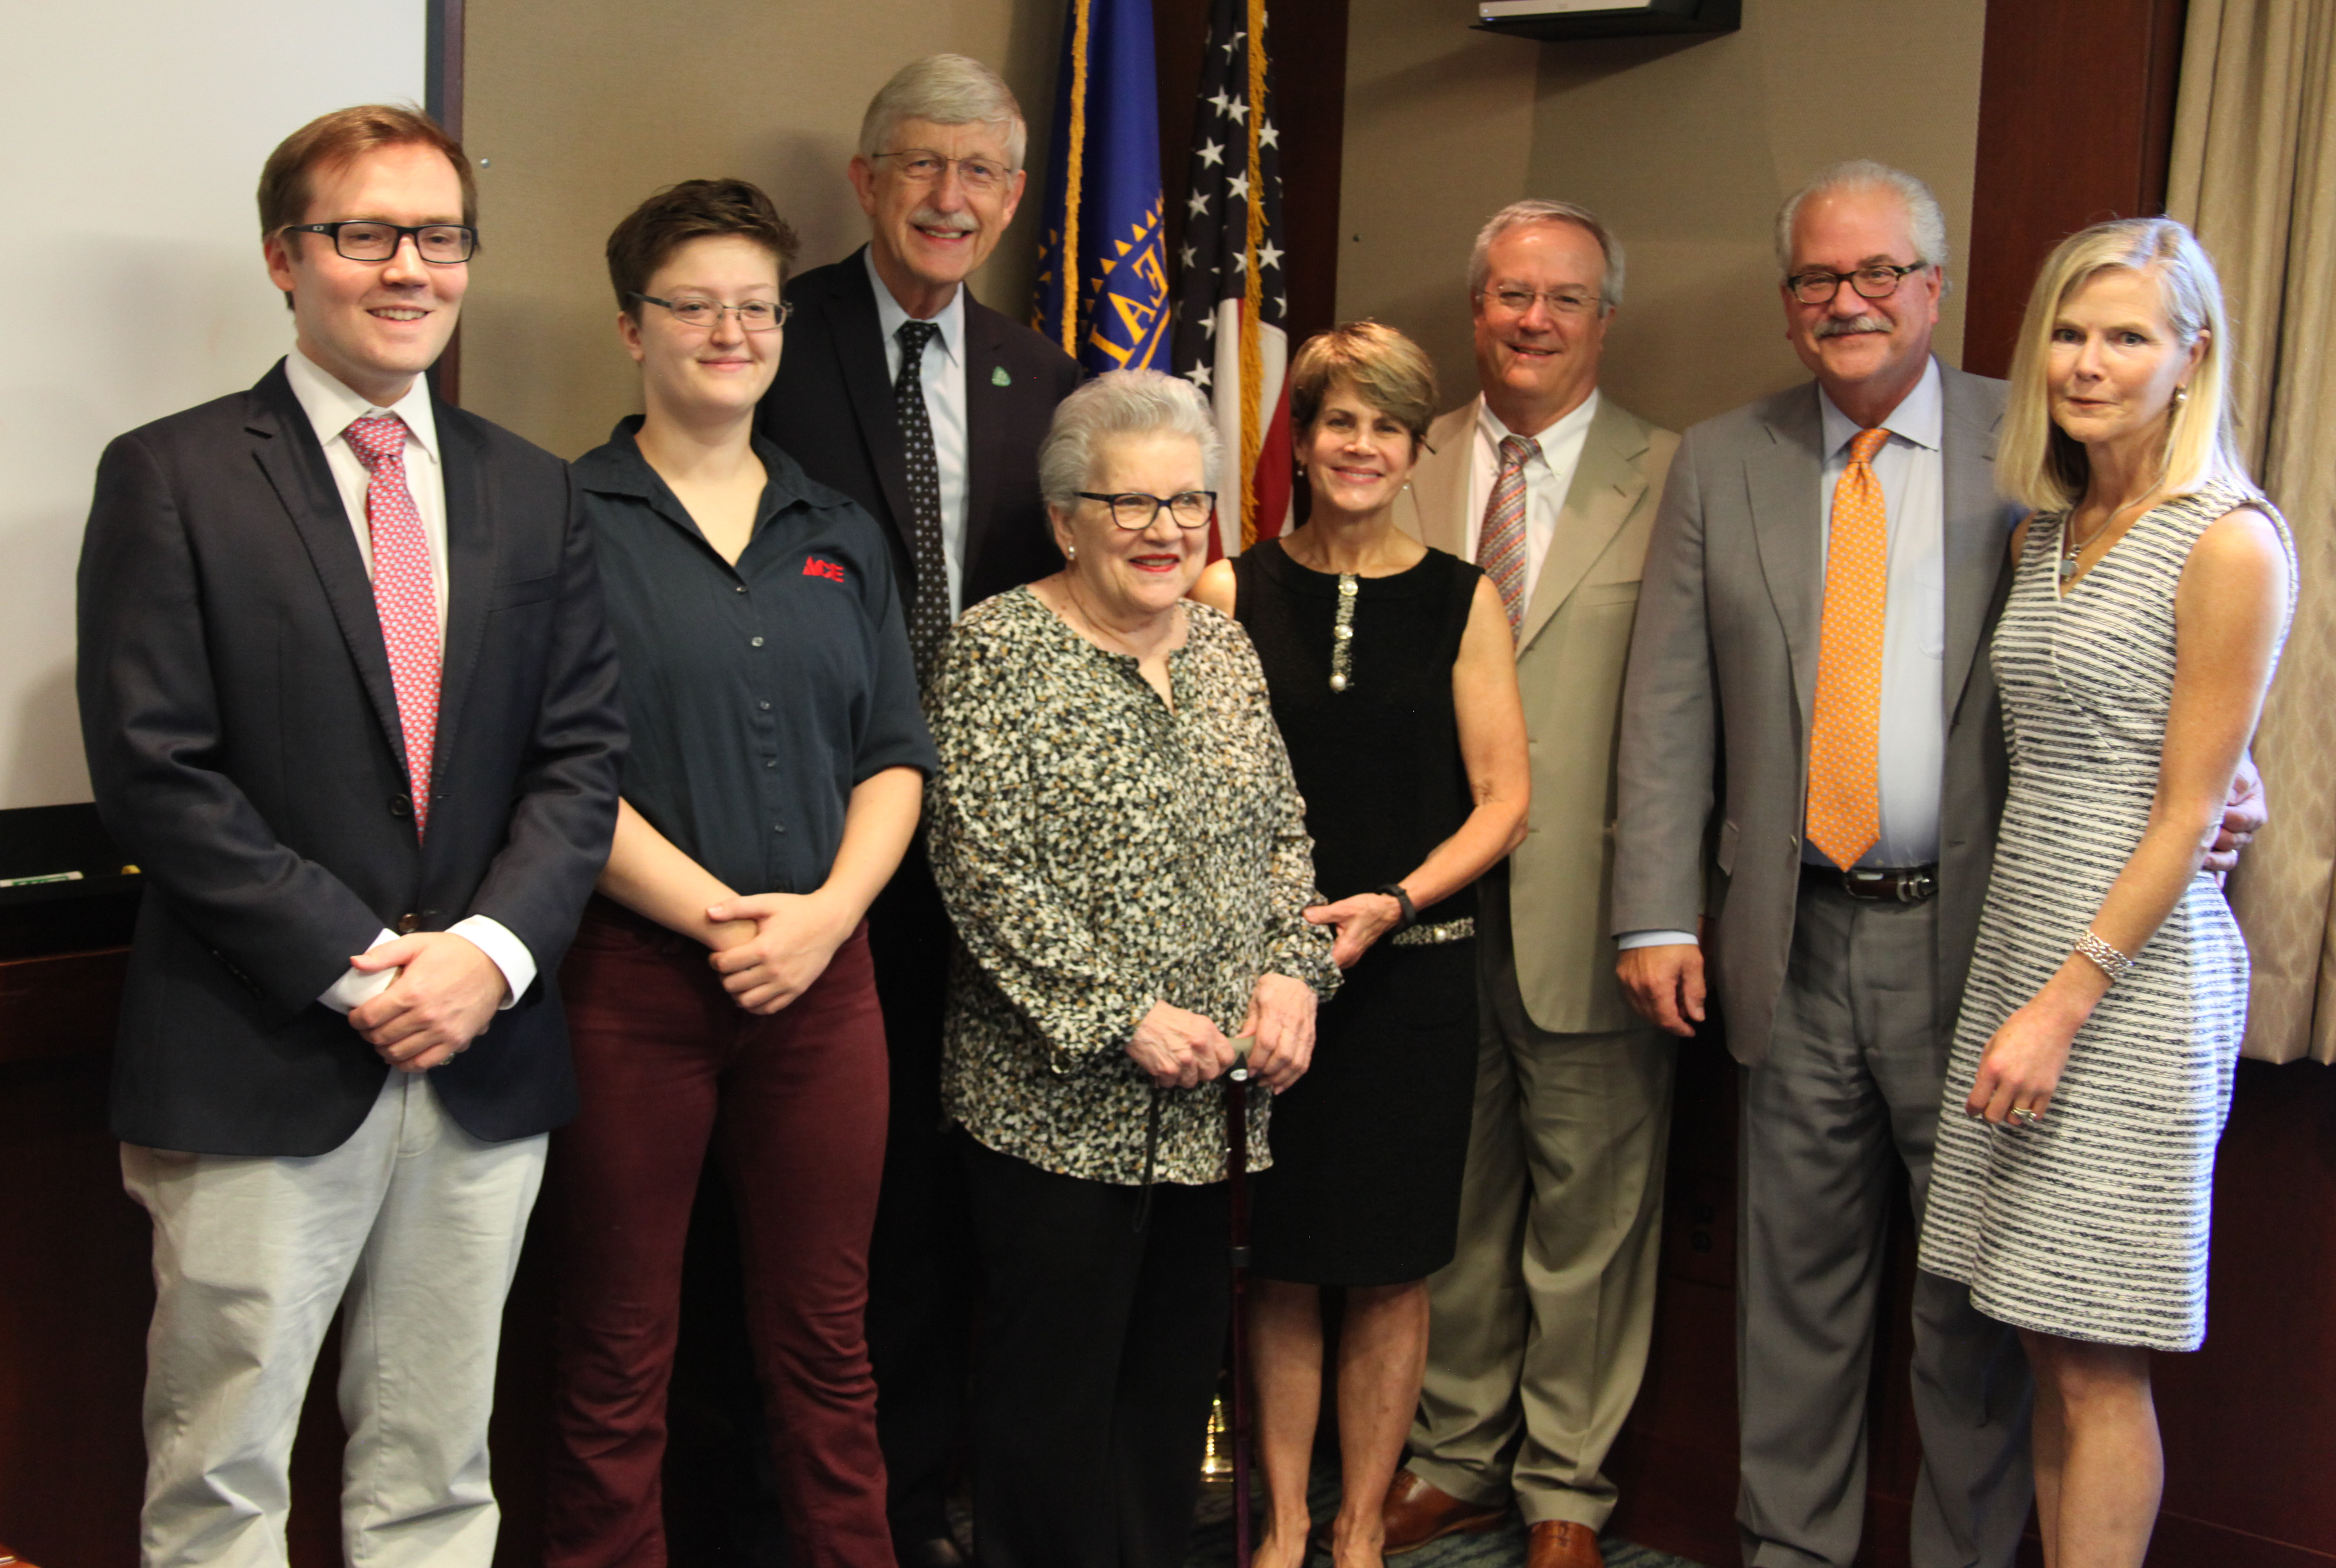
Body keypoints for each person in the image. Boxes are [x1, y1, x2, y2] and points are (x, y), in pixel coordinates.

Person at [1612, 162, 2265, 1568]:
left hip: (1987, 945)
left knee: (1980, 1302)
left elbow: (2176, 675)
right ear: (1788, 302)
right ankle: (1791, 1552)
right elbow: (1668, 707)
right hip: (1787, 928)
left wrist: (2230, 781)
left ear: (1936, 285)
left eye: (1879, 274)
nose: (1847, 302)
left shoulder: (2027, 449)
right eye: (1816, 280)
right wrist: (1657, 907)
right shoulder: (1729, 457)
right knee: (1793, 1285)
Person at [75, 105, 624, 1564]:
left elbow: (580, 760)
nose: (407, 269)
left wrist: (489, 957)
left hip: (484, 1061)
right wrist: (369, 968)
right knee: (223, 1481)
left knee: (441, 1475)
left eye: (438, 236)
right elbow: (154, 772)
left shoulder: (533, 486)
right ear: (283, 257)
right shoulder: (174, 475)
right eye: (362, 233)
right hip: (261, 1050)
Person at [540, 180, 932, 1567]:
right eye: (695, 305)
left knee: (829, 1343)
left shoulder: (840, 527)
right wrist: (727, 923)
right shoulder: (559, 519)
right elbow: (556, 769)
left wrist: (822, 921)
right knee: (616, 1349)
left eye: (756, 306)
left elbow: (895, 756)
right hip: (628, 989)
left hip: (825, 990)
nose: (730, 330)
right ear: (630, 328)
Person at [1918, 218, 2293, 1568]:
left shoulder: (2230, 539)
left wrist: (2064, 1004)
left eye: (2127, 335)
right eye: (2070, 335)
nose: (2089, 362)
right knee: (2039, 1322)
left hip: (2123, 984)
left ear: (2192, 355)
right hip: (2031, 947)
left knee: (2098, 1354)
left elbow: (2194, 807)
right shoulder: (2051, 532)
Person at [927, 369, 1340, 1568]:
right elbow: (981, 870)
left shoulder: (1222, 651)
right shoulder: (997, 649)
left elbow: (1282, 833)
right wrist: (1122, 1016)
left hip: (1213, 1106)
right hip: (1057, 1113)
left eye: (1188, 502)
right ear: (1065, 517)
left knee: (1167, 1399)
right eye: (1132, 504)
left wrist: (1292, 971)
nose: (1167, 529)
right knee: (1050, 1408)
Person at [754, 55, 1082, 1565]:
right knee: (839, 1219)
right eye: (923, 166)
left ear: (1017, 197)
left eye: (983, 174)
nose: (953, 199)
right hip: (814, 853)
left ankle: (937, 1498)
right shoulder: (774, 333)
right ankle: (826, 1512)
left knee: (970, 1204)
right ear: (867, 178)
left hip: (999, 867)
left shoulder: (1048, 379)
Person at [1191, 320, 1528, 1568]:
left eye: (1388, 426)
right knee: (1282, 1260)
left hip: (1414, 974)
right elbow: (1205, 784)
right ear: (1304, 436)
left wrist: (1389, 900)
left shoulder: (1461, 596)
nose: (1362, 445)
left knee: (1389, 1267)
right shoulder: (1231, 586)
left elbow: (1503, 800)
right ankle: (1282, 1525)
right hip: (1270, 986)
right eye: (1340, 420)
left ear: (1414, 447)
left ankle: (1360, 1531)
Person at [1377, 201, 1681, 1568]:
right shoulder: (1401, 458)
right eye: (1510, 295)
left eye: (1564, 298)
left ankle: (1566, 1486)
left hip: (1593, 907)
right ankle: (1455, 1458)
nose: (1534, 321)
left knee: (1592, 1216)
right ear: (1477, 308)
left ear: (1604, 319)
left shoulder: (1678, 473)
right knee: (1453, 1198)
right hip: (1421, 898)